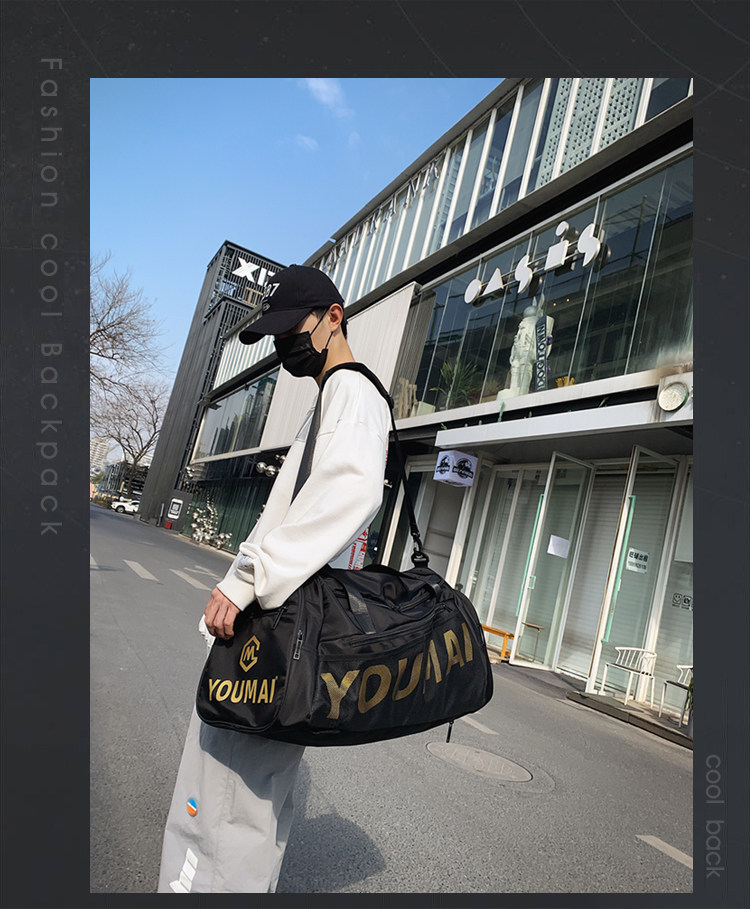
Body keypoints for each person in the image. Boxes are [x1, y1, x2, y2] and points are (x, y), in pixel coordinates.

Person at [157, 265, 391, 893]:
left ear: (334, 318)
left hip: (278, 627)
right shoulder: (332, 395)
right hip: (279, 623)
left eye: (292, 329)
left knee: (227, 803)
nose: (285, 344)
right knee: (239, 802)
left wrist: (247, 579)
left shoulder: (352, 394)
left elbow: (347, 494)